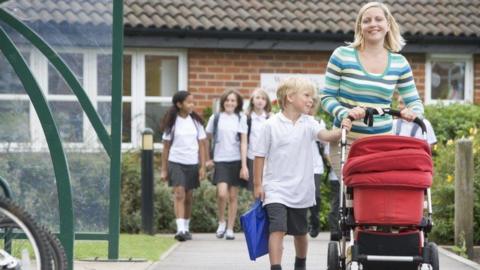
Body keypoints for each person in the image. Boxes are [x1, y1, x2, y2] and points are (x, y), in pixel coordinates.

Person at [253, 77, 352, 270]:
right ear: (290, 97)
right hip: (275, 188)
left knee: (300, 232)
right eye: (307, 95)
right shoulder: (270, 125)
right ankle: (276, 267)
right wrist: (258, 184)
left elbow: (325, 136)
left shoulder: (310, 123)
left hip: (300, 189)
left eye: (312, 97)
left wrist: (341, 131)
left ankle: (301, 263)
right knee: (277, 228)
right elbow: (259, 155)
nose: (311, 100)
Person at [320, 1, 425, 179]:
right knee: (353, 197)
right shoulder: (342, 55)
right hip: (347, 141)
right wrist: (346, 113)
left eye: (378, 19)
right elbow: (326, 97)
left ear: (388, 25)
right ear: (360, 27)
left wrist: (414, 113)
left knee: (377, 198)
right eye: (367, 20)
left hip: (382, 143)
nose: (373, 24)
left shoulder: (400, 63)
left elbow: (414, 101)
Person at [160, 91, 207, 242]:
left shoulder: (196, 122)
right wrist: (164, 169)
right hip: (176, 162)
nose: (192, 105)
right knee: (179, 193)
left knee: (188, 197)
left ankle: (186, 227)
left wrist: (202, 166)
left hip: (192, 162)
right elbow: (166, 147)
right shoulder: (172, 123)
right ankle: (180, 229)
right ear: (179, 104)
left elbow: (202, 145)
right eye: (188, 102)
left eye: (193, 102)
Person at [205, 89, 249, 240]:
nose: (230, 103)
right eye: (227, 100)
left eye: (233, 100)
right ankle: (221, 221)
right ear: (223, 102)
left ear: (237, 103)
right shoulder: (215, 118)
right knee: (222, 193)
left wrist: (244, 166)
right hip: (220, 160)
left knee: (233, 195)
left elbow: (244, 142)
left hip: (236, 160)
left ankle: (230, 228)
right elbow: (207, 138)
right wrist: (208, 158)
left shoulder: (241, 118)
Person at [306, 96, 328, 238]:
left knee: (315, 195)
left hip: (315, 165)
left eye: (313, 105)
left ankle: (314, 222)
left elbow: (325, 144)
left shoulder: (319, 122)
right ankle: (302, 223)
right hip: (298, 165)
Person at [246, 88, 272, 192]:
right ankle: (257, 208)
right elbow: (244, 141)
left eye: (263, 98)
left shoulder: (270, 118)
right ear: (252, 100)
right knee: (256, 189)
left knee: (267, 188)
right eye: (257, 98)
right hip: (252, 158)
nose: (260, 101)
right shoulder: (247, 118)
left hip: (268, 159)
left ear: (266, 102)